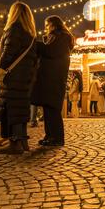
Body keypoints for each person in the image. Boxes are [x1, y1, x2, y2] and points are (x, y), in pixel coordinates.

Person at [0, 1, 37, 154]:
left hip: (10, 77)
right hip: (23, 78)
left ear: (14, 14)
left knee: (11, 109)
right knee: (18, 108)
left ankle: (15, 144)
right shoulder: (30, 34)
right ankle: (21, 141)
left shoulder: (14, 29)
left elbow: (7, 53)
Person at [31, 15, 74, 147]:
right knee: (48, 109)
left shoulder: (61, 37)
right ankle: (50, 136)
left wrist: (35, 44)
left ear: (54, 25)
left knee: (53, 110)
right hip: (51, 79)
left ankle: (56, 138)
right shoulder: (58, 37)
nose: (46, 28)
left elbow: (50, 51)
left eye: (47, 25)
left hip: (53, 80)